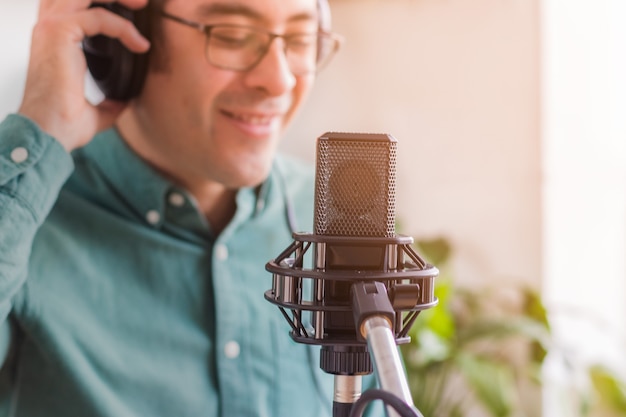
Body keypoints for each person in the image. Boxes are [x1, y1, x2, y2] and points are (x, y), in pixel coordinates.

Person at [0, 0, 381, 416]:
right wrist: (41, 125)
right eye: (233, 36)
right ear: (123, 44)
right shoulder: (24, 218)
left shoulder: (333, 213)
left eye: (300, 39)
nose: (279, 79)